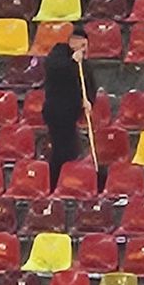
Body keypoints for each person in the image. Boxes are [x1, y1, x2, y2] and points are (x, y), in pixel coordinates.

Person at [42, 25, 96, 189]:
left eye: (86, 46)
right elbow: (54, 69)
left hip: (71, 113)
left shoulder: (84, 64)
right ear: (74, 42)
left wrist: (89, 102)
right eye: (82, 45)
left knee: (70, 150)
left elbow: (90, 85)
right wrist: (72, 59)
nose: (84, 50)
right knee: (62, 151)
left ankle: (66, 182)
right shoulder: (59, 52)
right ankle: (55, 184)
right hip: (56, 110)